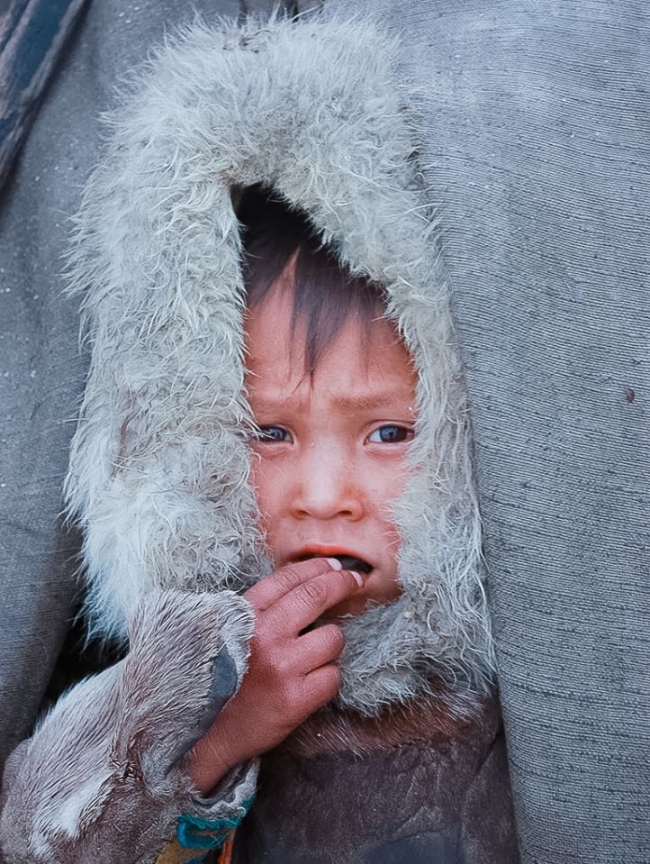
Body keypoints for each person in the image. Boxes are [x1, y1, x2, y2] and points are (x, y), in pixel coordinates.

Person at [0, 14, 521, 864]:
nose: (321, 493)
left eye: (388, 433)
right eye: (270, 432)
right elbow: (32, 832)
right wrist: (215, 732)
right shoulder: (185, 661)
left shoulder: (531, 665)